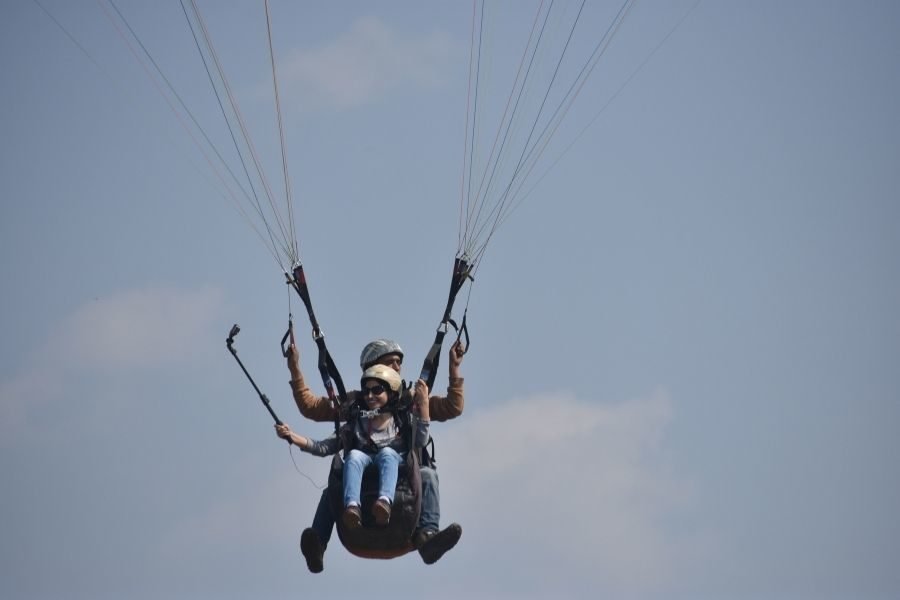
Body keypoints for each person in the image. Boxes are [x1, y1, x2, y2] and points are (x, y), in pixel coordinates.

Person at [288, 338, 464, 572]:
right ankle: (317, 545)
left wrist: (454, 368)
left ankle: (427, 537)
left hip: (402, 475)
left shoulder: (411, 399)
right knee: (333, 488)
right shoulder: (356, 404)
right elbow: (310, 407)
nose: (398, 368)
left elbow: (453, 407)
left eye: (399, 363)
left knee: (428, 475)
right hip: (362, 472)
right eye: (391, 362)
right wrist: (294, 367)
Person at [275, 365, 430, 531]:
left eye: (377, 390)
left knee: (387, 454)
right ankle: (352, 507)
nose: (370, 396)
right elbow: (322, 447)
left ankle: (384, 502)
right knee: (354, 455)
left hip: (396, 467)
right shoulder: (355, 425)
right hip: (364, 465)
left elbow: (420, 441)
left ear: (391, 393)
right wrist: (292, 436)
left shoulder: (401, 421)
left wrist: (424, 405)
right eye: (366, 391)